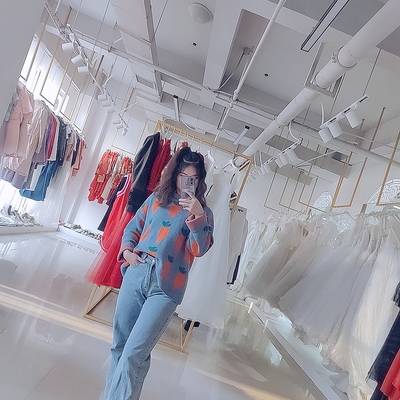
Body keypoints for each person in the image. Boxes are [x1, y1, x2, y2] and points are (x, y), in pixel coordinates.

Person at [103, 147, 214, 400]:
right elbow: (133, 227)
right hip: (138, 271)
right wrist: (128, 253)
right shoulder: (156, 198)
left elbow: (199, 249)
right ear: (174, 174)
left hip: (166, 287)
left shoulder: (204, 213)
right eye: (183, 176)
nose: (187, 182)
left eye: (193, 178)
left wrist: (197, 215)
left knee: (134, 353)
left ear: (200, 181)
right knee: (120, 345)